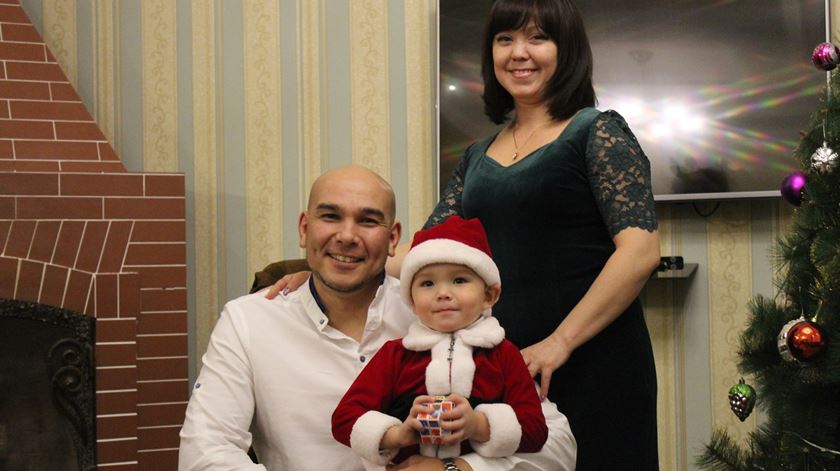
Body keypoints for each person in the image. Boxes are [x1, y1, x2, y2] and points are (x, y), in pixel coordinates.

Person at [268, 0, 662, 468]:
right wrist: (324, 268)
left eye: (538, 38)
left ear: (567, 49)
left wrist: (560, 342)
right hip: (501, 369)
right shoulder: (478, 156)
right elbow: (425, 251)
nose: (519, 52)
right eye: (505, 39)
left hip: (593, 361)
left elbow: (639, 252)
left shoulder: (597, 132)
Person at [178, 165, 576, 471]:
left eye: (368, 220)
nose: (347, 236)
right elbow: (206, 452)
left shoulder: (444, 314)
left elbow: (557, 445)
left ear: (392, 239)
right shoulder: (249, 321)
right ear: (304, 228)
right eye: (330, 216)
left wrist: (459, 468)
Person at [332, 215, 547, 466]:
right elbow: (344, 419)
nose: (443, 293)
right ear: (412, 301)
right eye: (427, 283)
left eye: (459, 280)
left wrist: (478, 425)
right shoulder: (396, 355)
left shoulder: (503, 355)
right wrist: (397, 435)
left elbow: (536, 431)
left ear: (489, 295)